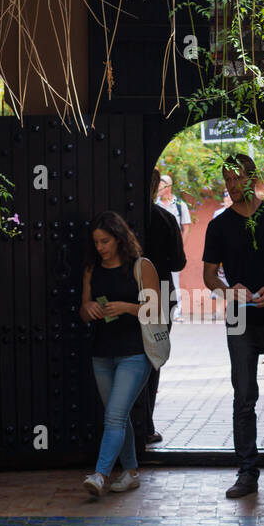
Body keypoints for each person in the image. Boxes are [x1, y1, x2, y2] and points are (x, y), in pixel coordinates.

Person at [202, 153, 264, 499]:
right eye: (227, 180)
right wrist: (228, 291)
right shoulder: (219, 225)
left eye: (237, 178)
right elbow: (208, 275)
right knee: (244, 396)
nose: (231, 185)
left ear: (252, 178)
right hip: (240, 317)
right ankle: (247, 472)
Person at [79, 211, 159, 498]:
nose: (100, 247)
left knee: (113, 416)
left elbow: (154, 309)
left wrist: (126, 307)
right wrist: (88, 309)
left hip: (134, 353)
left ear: (119, 238)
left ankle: (100, 475)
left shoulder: (140, 266)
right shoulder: (92, 268)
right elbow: (83, 309)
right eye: (96, 242)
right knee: (118, 415)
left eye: (105, 241)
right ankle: (131, 473)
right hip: (102, 353)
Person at [132, 168, 186, 447]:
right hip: (161, 295)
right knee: (153, 358)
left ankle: (129, 425)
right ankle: (146, 425)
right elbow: (179, 262)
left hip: (129, 295)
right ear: (156, 187)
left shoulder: (123, 218)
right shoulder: (165, 218)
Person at [156, 174, 191, 316]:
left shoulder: (180, 205)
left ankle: (177, 309)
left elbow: (186, 227)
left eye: (161, 186)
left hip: (172, 249)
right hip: (159, 250)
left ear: (168, 187)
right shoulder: (155, 204)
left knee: (175, 279)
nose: (158, 188)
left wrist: (180, 247)